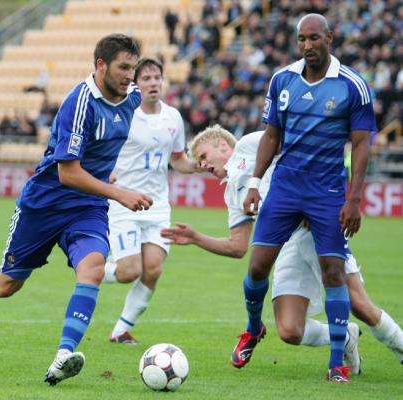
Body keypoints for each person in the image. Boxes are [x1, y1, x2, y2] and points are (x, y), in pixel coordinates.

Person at [0, 34, 153, 386]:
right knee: (8, 284)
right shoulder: (80, 102)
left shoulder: (132, 99)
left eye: (134, 68)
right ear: (100, 65)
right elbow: (67, 172)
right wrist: (118, 192)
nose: (130, 76)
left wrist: (111, 178)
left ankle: (63, 355)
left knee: (93, 268)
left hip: (87, 206)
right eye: (123, 67)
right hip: (44, 205)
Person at [161, 125, 403, 374]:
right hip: (286, 246)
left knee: (360, 305)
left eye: (203, 156)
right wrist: (195, 237)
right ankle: (346, 337)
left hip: (314, 229)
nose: (203, 165)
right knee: (289, 330)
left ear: (221, 144)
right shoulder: (232, 191)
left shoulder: (250, 144)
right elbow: (237, 246)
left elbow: (303, 146)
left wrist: (312, 196)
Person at [236, 13, 376, 382]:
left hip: (328, 192)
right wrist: (254, 182)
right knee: (256, 266)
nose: (308, 45)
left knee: (334, 272)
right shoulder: (283, 79)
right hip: (285, 188)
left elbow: (362, 145)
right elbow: (271, 136)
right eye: (302, 39)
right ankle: (253, 328)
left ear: (330, 37)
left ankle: (336, 363)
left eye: (315, 38)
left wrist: (354, 199)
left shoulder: (353, 86)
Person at [103, 58, 200, 344]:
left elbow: (178, 160)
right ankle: (93, 270)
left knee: (153, 268)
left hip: (156, 206)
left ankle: (121, 330)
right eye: (146, 79)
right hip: (125, 202)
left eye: (157, 77)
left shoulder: (173, 117)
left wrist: (201, 165)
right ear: (136, 84)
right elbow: (104, 150)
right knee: (128, 271)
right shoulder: (125, 115)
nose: (153, 83)